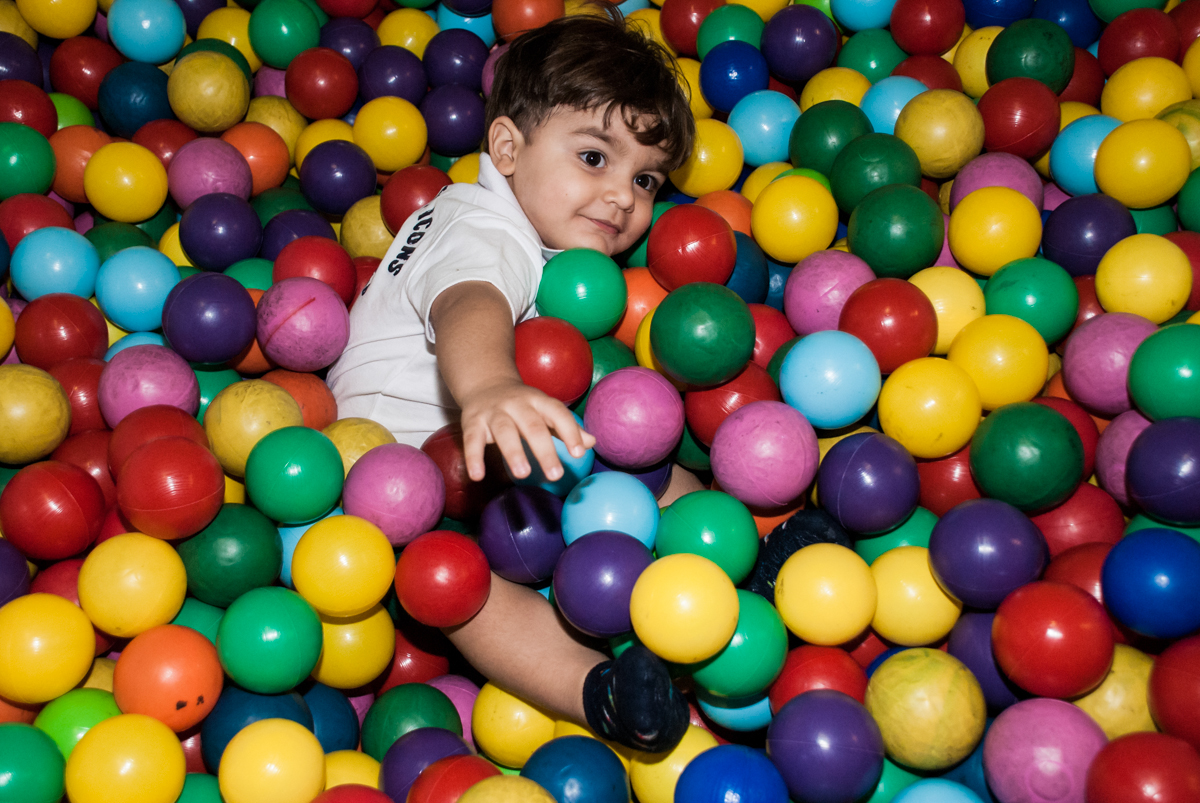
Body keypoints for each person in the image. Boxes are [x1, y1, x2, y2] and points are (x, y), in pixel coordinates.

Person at [327, 9, 698, 753]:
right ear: (506, 146)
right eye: (595, 158)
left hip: (484, 448)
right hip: (384, 482)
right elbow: (470, 303)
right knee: (456, 585)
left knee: (640, 448)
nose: (625, 196)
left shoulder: (511, 230)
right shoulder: (487, 229)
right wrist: (490, 386)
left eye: (646, 178)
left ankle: (744, 553)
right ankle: (596, 691)